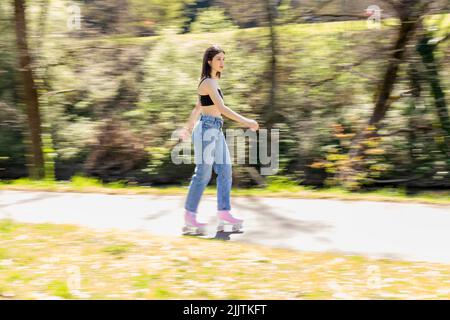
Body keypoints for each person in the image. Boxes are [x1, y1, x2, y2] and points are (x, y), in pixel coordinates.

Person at [179, 45, 259, 235]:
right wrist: (247, 121)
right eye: (218, 59)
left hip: (215, 128)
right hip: (207, 129)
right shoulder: (208, 82)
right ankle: (189, 217)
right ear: (209, 61)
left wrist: (187, 128)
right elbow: (221, 108)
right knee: (203, 174)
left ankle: (224, 213)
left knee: (225, 170)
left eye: (224, 59)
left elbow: (198, 107)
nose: (222, 63)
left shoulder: (212, 82)